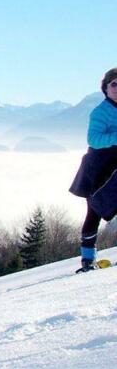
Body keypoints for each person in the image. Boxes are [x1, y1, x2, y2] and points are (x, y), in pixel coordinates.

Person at [69, 68, 117, 273]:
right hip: (98, 171)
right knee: (94, 213)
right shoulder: (100, 111)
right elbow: (93, 139)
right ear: (105, 88)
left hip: (115, 169)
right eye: (114, 84)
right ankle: (87, 261)